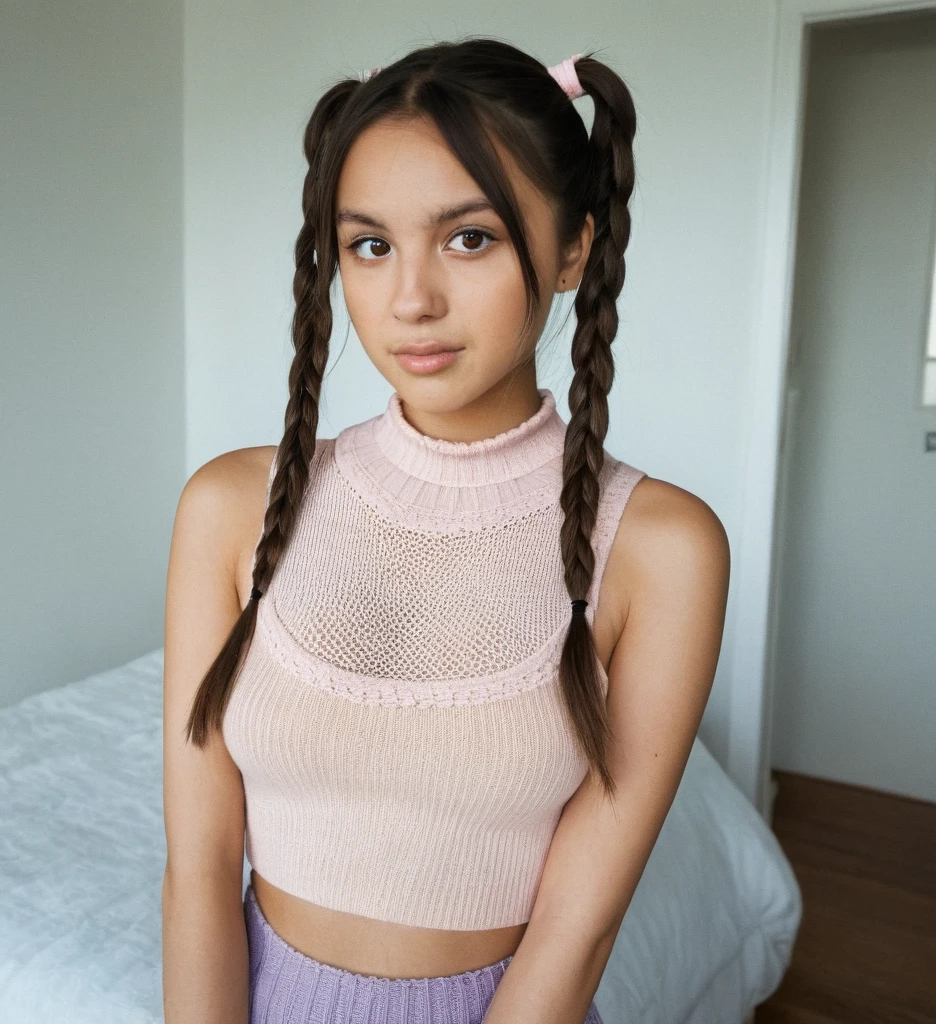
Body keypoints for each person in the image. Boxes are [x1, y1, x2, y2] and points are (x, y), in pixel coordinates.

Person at [161, 37, 730, 1024]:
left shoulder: (660, 547)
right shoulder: (227, 506)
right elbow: (200, 871)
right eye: (369, 245)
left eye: (469, 237)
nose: (410, 300)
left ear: (572, 247)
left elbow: (576, 931)